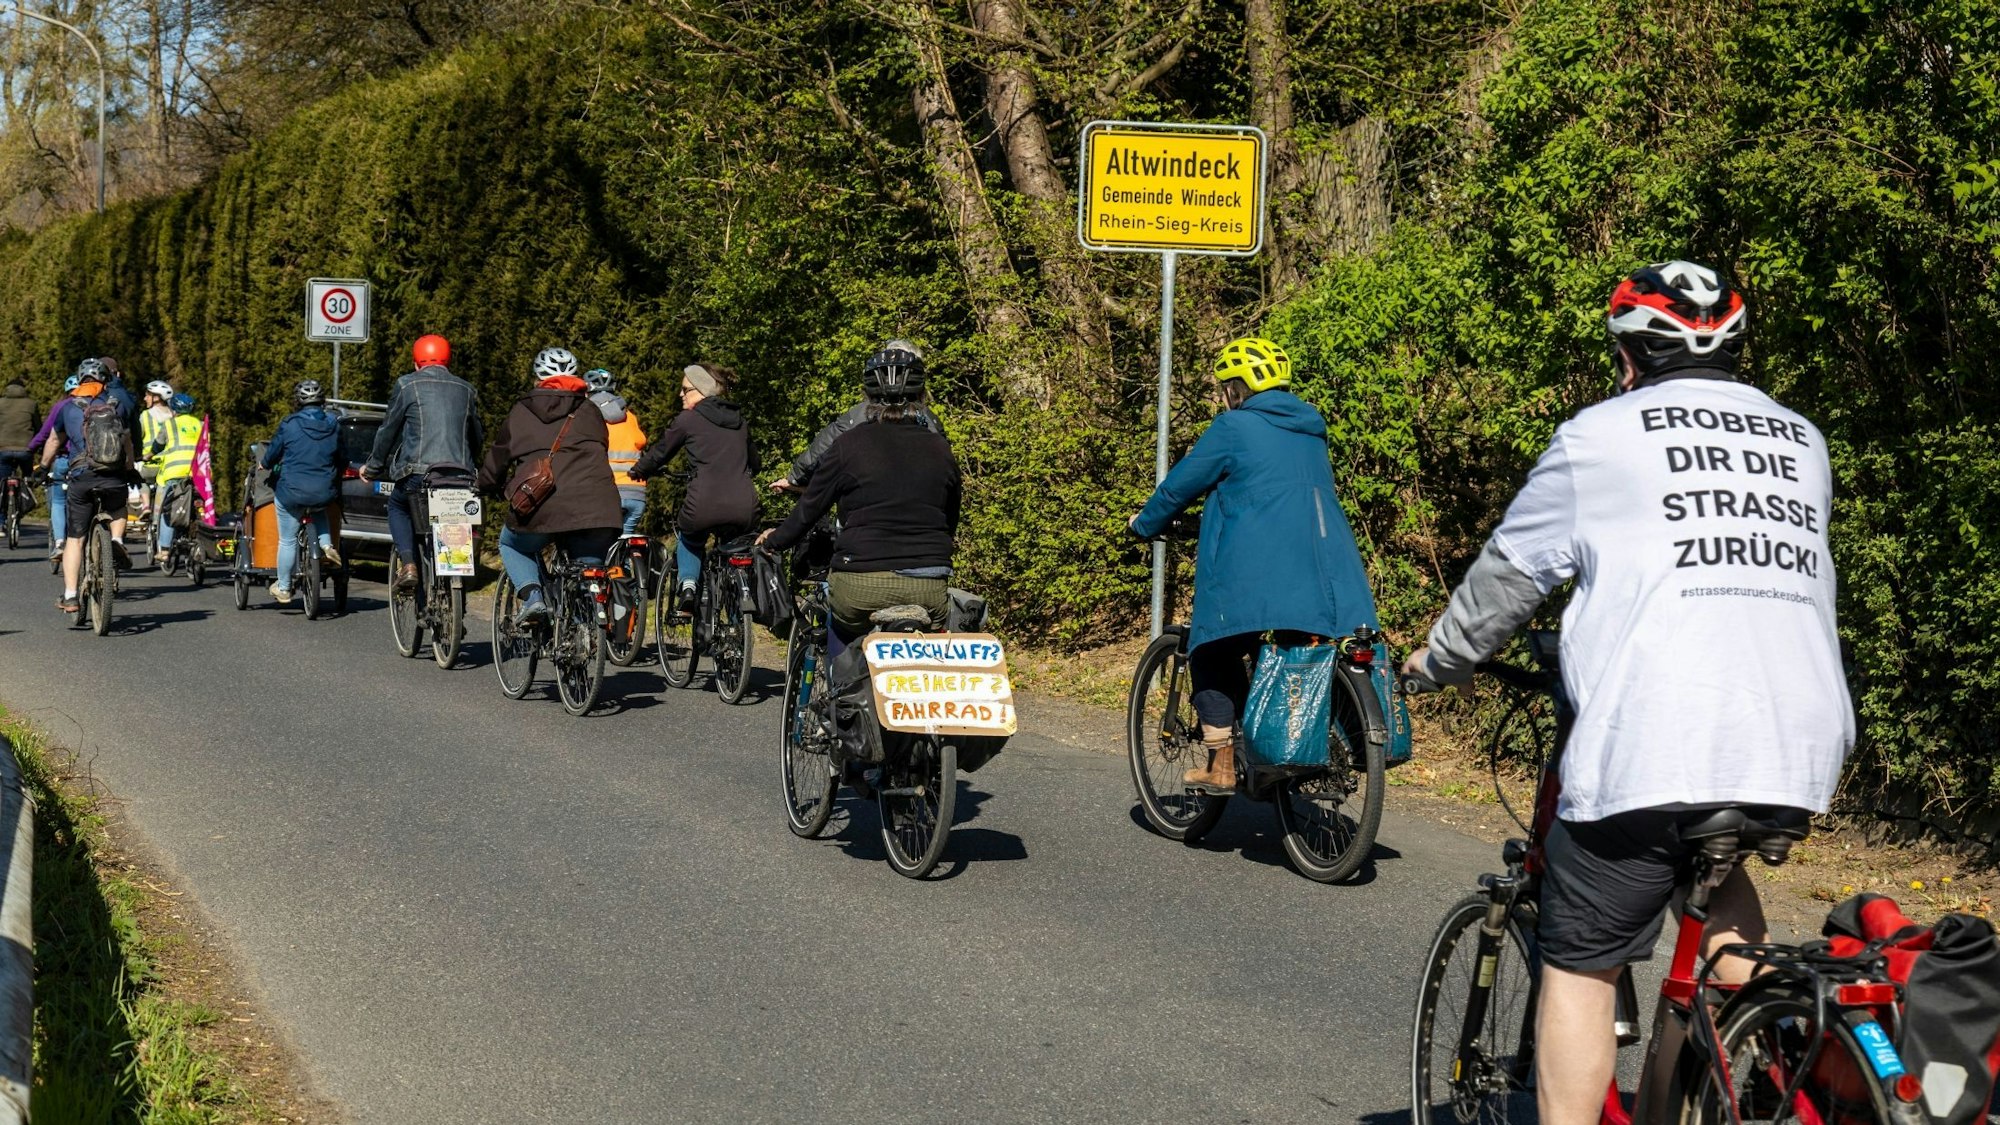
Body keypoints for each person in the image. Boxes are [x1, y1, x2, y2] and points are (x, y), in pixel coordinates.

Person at [1398, 262, 1852, 1125]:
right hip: (1793, 738)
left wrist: (1442, 659)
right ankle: (1781, 1055)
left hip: (1658, 733)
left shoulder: (1600, 436)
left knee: (1580, 962)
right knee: (1714, 873)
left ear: (1631, 355)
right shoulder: (1802, 437)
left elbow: (1507, 580)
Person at [1127, 336, 1381, 793]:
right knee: (1295, 647)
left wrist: (1144, 524)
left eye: (1225, 387)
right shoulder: (1312, 429)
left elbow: (1179, 487)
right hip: (1326, 572)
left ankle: (1222, 765)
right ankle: (1287, 748)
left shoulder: (1233, 427)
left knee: (1211, 648)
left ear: (1236, 388)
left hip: (1256, 574)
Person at [757, 345, 958, 646]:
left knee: (834, 613)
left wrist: (774, 541)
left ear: (866, 396)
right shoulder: (940, 448)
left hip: (859, 586)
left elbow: (809, 510)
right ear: (922, 394)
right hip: (928, 589)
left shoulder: (848, 445)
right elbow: (950, 519)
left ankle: (838, 673)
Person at [477, 347, 622, 626]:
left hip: (541, 506)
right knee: (587, 571)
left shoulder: (522, 410)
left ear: (538, 378)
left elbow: (498, 457)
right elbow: (601, 446)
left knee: (510, 544)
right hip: (598, 508)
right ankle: (585, 631)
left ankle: (533, 598)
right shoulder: (590, 409)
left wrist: (485, 484)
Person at [629, 362, 758, 611]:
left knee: (690, 538)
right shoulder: (740, 421)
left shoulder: (688, 420)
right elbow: (756, 463)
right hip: (744, 506)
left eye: (685, 389)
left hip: (703, 506)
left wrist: (639, 470)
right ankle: (738, 612)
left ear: (701, 390)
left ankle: (688, 584)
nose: (681, 394)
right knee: (735, 547)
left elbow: (661, 452)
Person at [362, 334, 483, 592]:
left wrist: (373, 467)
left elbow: (388, 431)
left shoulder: (407, 385)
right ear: (448, 361)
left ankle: (408, 564)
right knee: (454, 523)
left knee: (398, 507)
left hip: (418, 474)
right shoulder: (467, 389)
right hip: (459, 477)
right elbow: (476, 436)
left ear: (416, 363)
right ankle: (455, 580)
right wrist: (475, 467)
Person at [767, 338, 946, 493]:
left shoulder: (861, 413)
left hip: (867, 503)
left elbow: (822, 448)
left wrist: (796, 478)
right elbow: (945, 470)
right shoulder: (929, 419)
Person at [41, 362, 138, 612]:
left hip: (82, 477)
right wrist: (129, 468)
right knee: (118, 505)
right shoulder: (118, 404)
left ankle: (71, 596)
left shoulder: (67, 407)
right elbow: (127, 441)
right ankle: (116, 540)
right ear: (106, 380)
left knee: (75, 539)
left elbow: (53, 441)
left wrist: (43, 466)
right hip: (113, 476)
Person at [263, 381, 342, 604]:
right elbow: (342, 455)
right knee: (319, 506)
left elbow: (273, 452)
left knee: (287, 540)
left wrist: (264, 463)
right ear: (322, 400)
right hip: (323, 490)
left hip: (292, 491)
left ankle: (284, 588)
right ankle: (327, 545)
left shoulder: (289, 424)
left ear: (297, 401)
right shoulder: (334, 424)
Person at [586, 368, 650, 536]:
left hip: (606, 493)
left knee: (596, 545)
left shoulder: (588, 417)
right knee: (623, 543)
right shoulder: (629, 416)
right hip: (636, 493)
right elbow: (640, 442)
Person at [29, 374, 83, 559]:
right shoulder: (96, 403)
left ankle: (60, 542)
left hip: (64, 459)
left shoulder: (62, 406)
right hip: (89, 461)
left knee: (58, 499)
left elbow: (46, 435)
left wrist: (31, 449)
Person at [151, 393, 205, 564]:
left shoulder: (170, 424)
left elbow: (158, 446)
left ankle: (165, 550)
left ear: (173, 409)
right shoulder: (200, 425)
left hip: (175, 473)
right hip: (198, 473)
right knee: (199, 505)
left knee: (168, 510)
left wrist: (148, 455)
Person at [0, 377, 38, 534]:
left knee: (1, 483)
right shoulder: (31, 404)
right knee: (28, 477)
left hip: (3, 449)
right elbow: (38, 427)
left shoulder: (1, 403)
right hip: (25, 450)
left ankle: (1, 523)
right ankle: (24, 501)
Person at [138, 380, 175, 521]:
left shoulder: (145, 415)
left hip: (151, 464)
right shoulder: (174, 415)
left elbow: (138, 436)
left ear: (156, 398)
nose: (144, 398)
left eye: (147, 395)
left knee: (140, 478)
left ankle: (146, 505)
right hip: (169, 465)